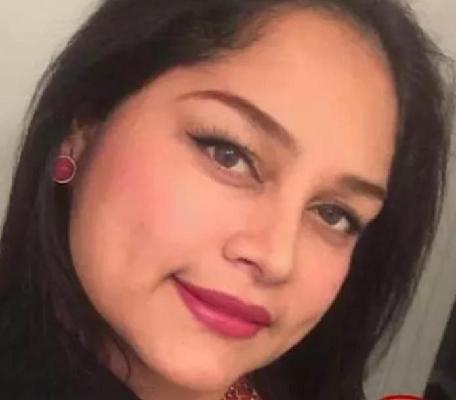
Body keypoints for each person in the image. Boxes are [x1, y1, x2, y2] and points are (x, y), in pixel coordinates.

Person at [0, 0, 452, 399]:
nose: (277, 257)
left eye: (334, 214)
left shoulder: (304, 382)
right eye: (228, 154)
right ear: (84, 129)